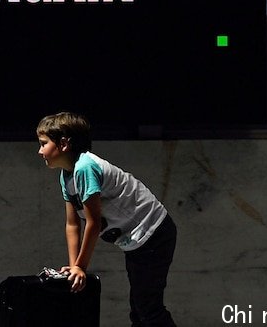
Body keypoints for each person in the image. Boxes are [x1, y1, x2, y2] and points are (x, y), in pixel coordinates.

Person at [37, 111, 177, 327]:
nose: (40, 151)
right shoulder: (67, 175)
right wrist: (74, 266)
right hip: (137, 243)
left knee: (148, 310)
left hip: (153, 234)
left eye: (43, 143)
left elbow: (92, 223)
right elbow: (72, 223)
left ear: (64, 144)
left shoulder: (85, 167)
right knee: (140, 313)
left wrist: (81, 267)